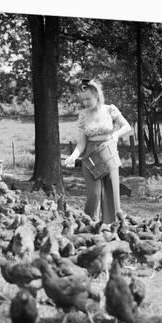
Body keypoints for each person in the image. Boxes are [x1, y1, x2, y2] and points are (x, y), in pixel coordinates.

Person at [64, 79, 132, 224]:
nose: (86, 102)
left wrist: (115, 135)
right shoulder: (83, 115)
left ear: (97, 95)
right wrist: (72, 156)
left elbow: (127, 126)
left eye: (88, 98)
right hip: (90, 157)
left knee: (112, 193)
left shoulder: (110, 109)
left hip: (108, 154)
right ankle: (89, 226)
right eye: (83, 100)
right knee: (94, 194)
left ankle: (113, 227)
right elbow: (81, 143)